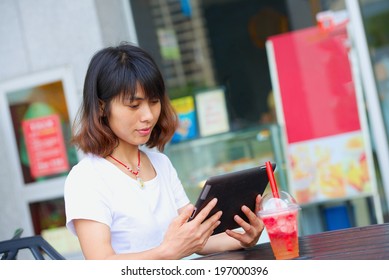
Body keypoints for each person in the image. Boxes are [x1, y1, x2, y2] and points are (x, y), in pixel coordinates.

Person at [64, 42, 264, 260]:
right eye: (134, 105)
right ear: (102, 107)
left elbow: (196, 239)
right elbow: (100, 263)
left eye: (154, 102)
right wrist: (166, 252)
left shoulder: (161, 164)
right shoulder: (86, 177)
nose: (148, 115)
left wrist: (243, 237)